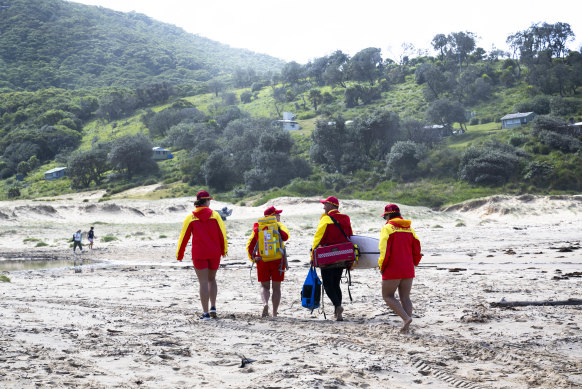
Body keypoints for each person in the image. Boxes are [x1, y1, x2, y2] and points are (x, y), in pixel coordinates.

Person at [176, 191, 228, 320]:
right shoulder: (215, 215)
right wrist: (224, 250)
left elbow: (184, 237)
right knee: (212, 279)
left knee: (203, 282)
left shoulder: (191, 217)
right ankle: (213, 307)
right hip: (214, 252)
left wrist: (180, 254)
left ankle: (205, 314)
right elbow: (223, 234)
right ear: (207, 201)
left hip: (199, 253)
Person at [378, 204, 422, 332]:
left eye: (385, 216)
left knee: (387, 296)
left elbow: (384, 250)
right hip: (408, 268)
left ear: (389, 215)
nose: (384, 219)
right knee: (405, 297)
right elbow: (417, 248)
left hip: (393, 268)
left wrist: (382, 265)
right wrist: (415, 262)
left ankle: (406, 319)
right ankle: (406, 326)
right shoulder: (409, 229)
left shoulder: (387, 228)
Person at [311, 196, 353, 321]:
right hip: (343, 254)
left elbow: (318, 238)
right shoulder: (346, 218)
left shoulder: (326, 219)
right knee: (336, 283)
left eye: (325, 205)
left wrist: (312, 254)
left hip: (327, 255)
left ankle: (338, 306)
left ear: (331, 205)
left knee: (328, 284)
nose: (323, 207)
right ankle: (337, 313)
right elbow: (350, 234)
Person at [246, 206, 290, 318]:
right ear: (272, 216)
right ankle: (274, 313)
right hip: (278, 260)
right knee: (276, 287)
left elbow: (250, 244)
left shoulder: (257, 227)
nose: (279, 216)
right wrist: (278, 227)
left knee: (264, 287)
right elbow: (286, 237)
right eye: (277, 214)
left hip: (262, 260)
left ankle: (265, 304)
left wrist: (253, 258)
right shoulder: (279, 226)